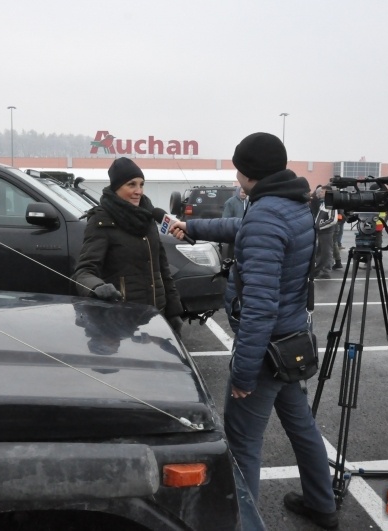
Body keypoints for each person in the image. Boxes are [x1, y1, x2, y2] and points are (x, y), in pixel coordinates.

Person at [168, 132, 338, 529]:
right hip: (292, 341)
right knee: (303, 428)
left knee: (242, 444)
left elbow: (260, 304)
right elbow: (239, 228)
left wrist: (244, 371)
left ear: (248, 171)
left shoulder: (265, 215)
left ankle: (244, 524)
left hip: (265, 352)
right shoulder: (291, 205)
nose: (235, 174)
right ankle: (321, 503)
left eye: (237, 167)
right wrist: (191, 227)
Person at [72, 157, 184, 335]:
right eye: (131, 185)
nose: (138, 191)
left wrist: (174, 312)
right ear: (117, 187)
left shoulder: (147, 217)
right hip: (122, 320)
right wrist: (96, 287)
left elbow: (162, 270)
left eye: (141, 184)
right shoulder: (101, 220)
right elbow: (84, 271)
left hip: (156, 318)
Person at [313, 185, 337, 279]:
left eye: (322, 192)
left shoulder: (331, 204)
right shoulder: (323, 203)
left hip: (326, 232)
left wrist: (320, 226)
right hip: (321, 232)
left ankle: (326, 271)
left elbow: (333, 220)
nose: (320, 193)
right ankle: (318, 270)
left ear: (327, 192)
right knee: (320, 252)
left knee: (326, 252)